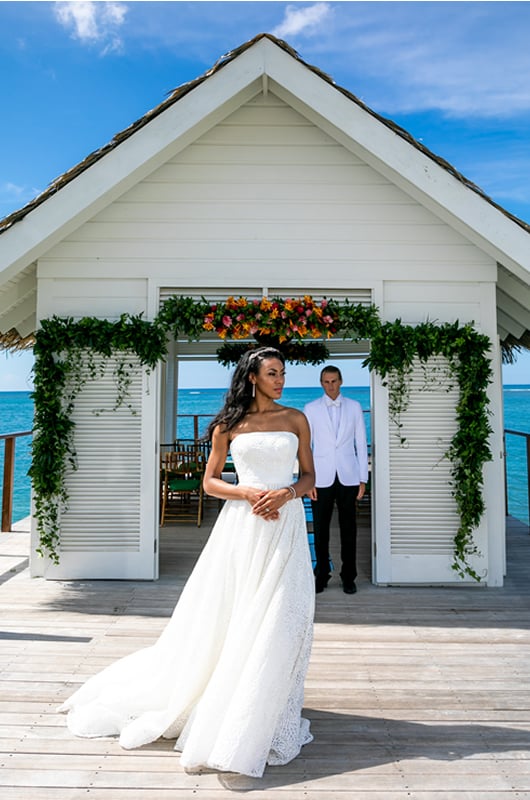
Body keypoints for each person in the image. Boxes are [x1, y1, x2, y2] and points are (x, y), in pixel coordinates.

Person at [57, 346, 316, 779]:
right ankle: (231, 700)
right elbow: (210, 482)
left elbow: (309, 476)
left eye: (283, 373)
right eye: (272, 373)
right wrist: (249, 492)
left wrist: (286, 493)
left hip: (285, 523)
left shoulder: (296, 419)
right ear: (252, 377)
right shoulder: (228, 425)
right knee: (237, 615)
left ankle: (267, 709)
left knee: (284, 615)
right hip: (245, 525)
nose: (280, 380)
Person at [304, 365, 368, 595]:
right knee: (320, 530)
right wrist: (308, 480)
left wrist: (363, 479)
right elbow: (306, 448)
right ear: (321, 383)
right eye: (326, 382)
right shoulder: (310, 409)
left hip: (349, 476)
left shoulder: (354, 407)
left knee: (349, 529)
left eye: (334, 381)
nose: (330, 385)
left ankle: (348, 577)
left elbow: (361, 443)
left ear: (341, 381)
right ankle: (321, 574)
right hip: (320, 478)